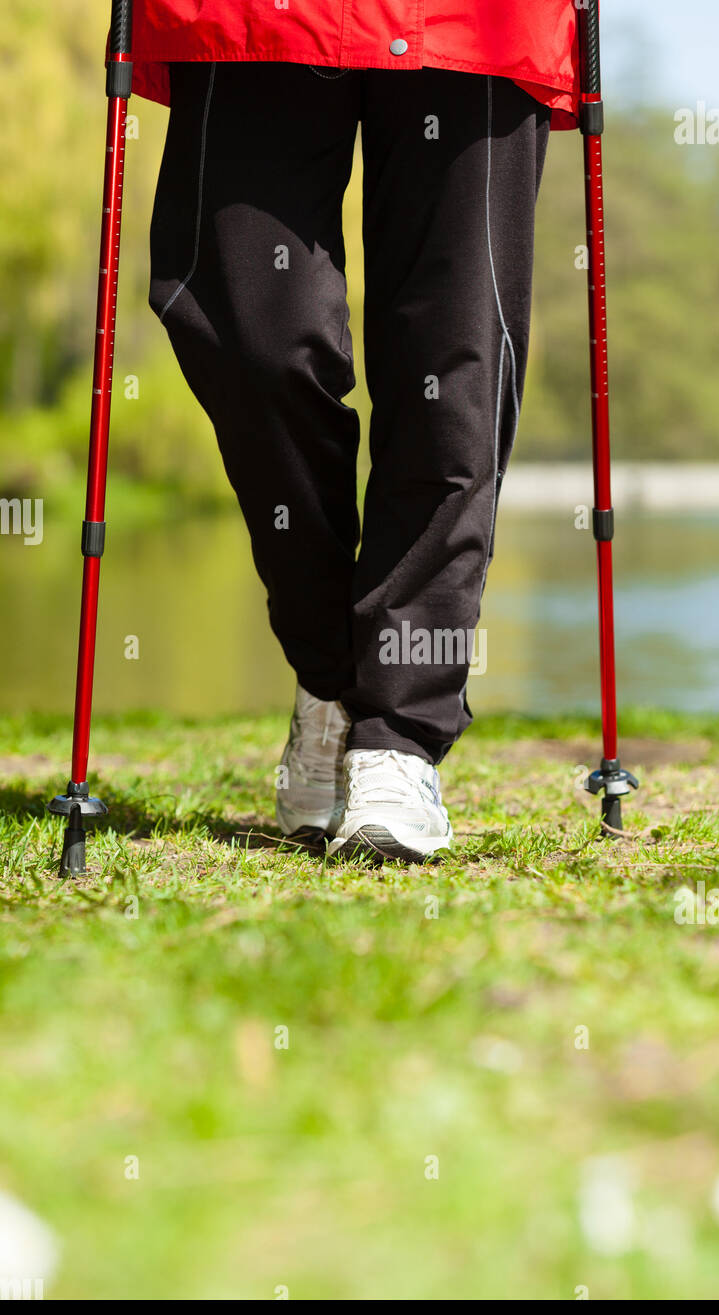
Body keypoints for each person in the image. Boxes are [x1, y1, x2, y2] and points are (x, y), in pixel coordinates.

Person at [132, 2, 581, 862]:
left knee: (454, 369)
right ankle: (331, 678)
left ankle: (396, 739)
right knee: (249, 338)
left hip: (476, 22)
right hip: (253, 18)